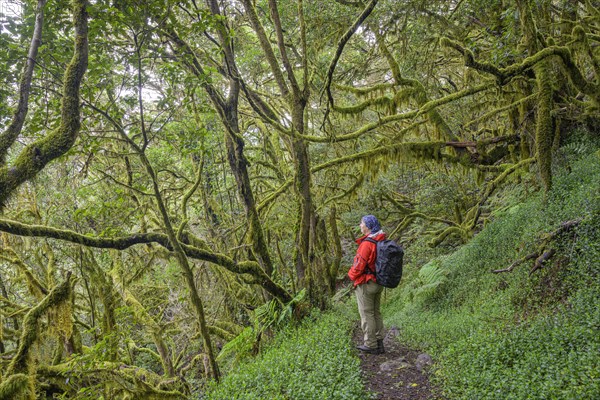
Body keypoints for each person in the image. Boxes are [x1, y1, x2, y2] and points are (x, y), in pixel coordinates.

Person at [348, 214, 385, 354]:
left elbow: (359, 266)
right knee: (376, 312)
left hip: (366, 283)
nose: (360, 225)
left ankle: (370, 344)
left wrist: (351, 276)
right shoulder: (380, 239)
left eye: (361, 223)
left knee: (366, 313)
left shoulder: (367, 244)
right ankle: (379, 341)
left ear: (368, 226)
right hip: (378, 282)